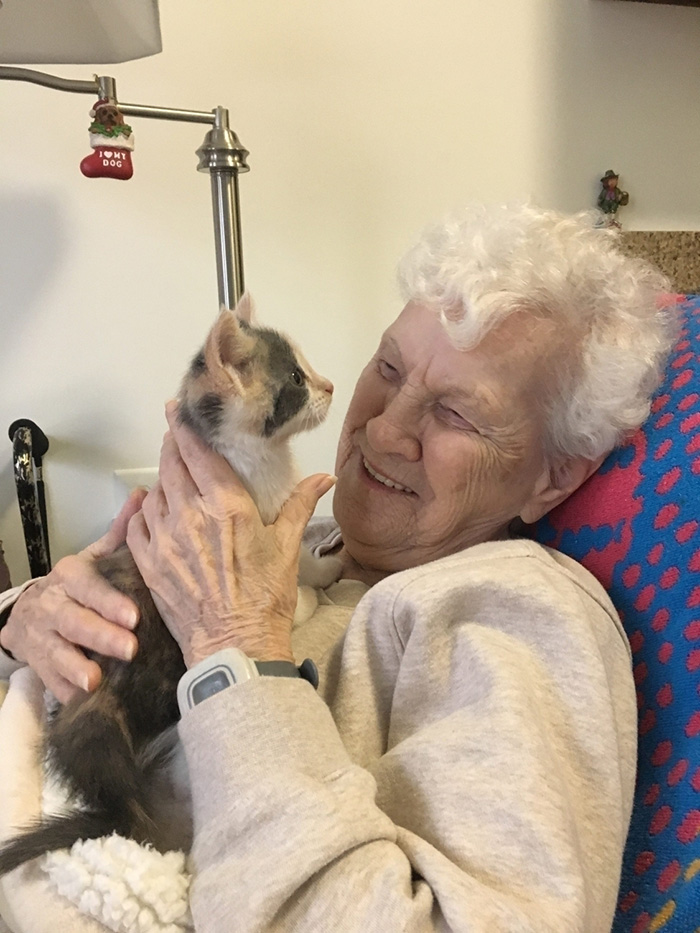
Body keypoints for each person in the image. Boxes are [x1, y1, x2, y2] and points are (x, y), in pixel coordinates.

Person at [0, 204, 677, 933]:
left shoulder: (516, 611)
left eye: (456, 414)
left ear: (553, 477)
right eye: (388, 367)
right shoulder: (307, 539)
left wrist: (238, 644)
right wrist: (28, 617)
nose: (383, 428)